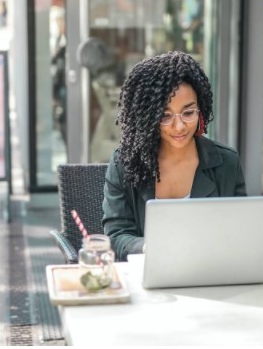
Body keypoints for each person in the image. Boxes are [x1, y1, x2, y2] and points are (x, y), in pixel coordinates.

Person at [102, 51, 247, 260]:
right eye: (165, 116)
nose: (179, 127)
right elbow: (116, 235)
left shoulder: (226, 163)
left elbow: (240, 233)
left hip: (211, 274)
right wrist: (147, 247)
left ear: (201, 110)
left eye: (188, 113)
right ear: (148, 118)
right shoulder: (125, 163)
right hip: (146, 276)